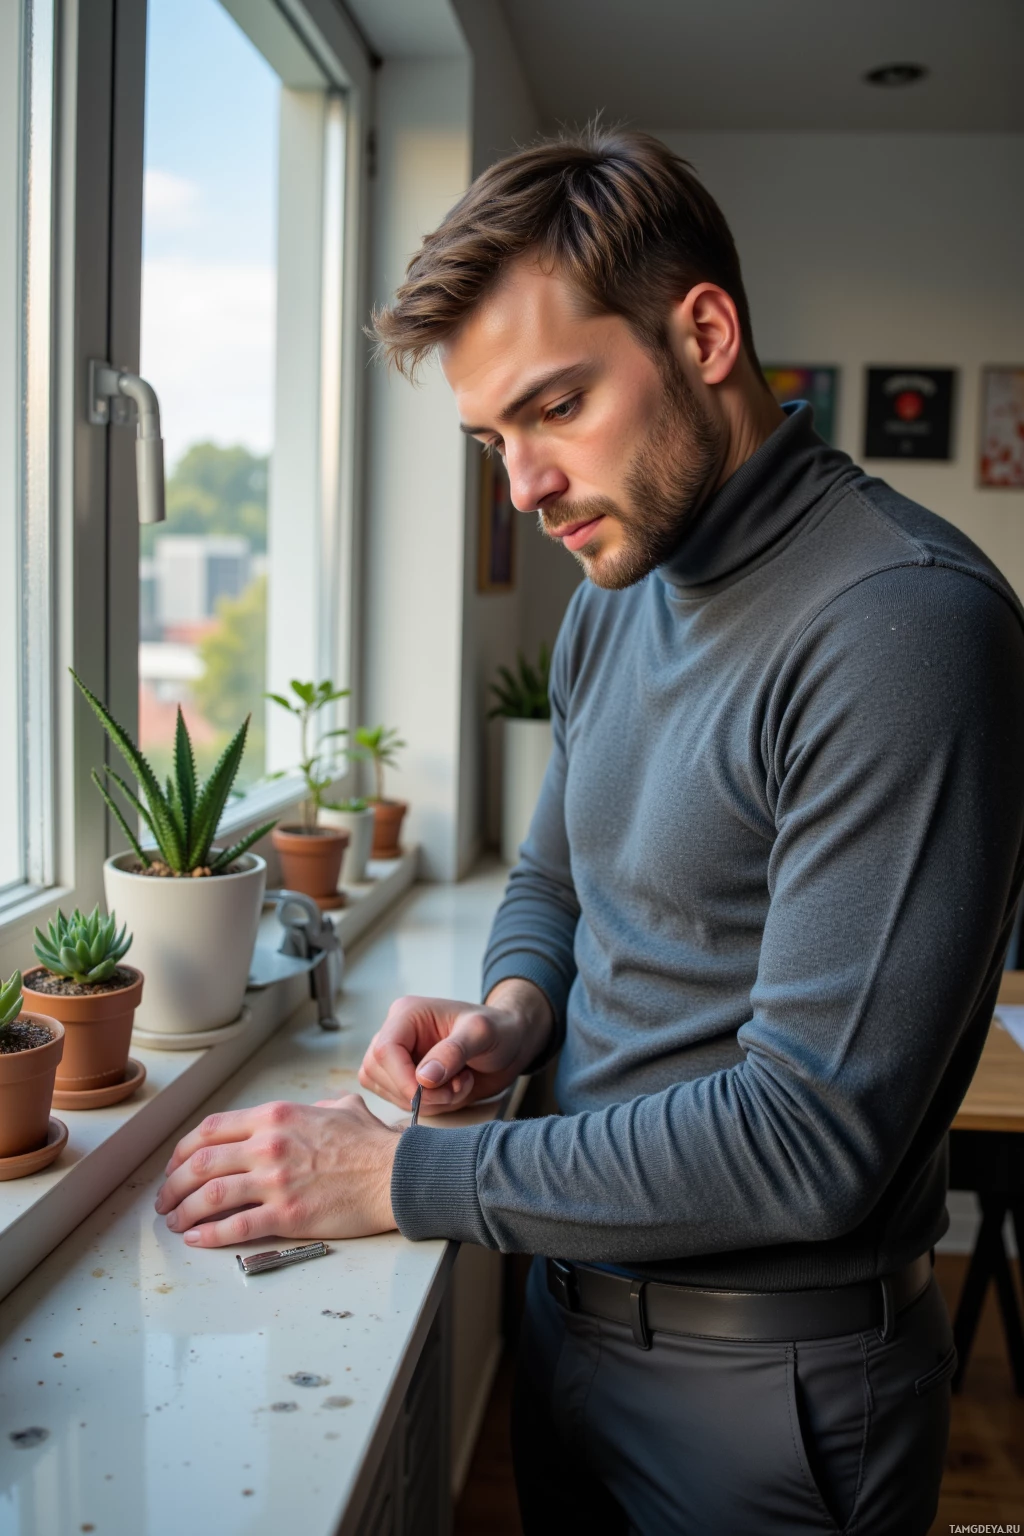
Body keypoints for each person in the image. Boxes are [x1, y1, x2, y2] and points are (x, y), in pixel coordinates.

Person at [155, 127, 1024, 1535]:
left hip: (770, 1390)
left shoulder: (903, 625)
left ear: (704, 332)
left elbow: (810, 1142)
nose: (522, 485)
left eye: (555, 408)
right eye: (493, 437)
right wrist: (514, 1008)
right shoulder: (619, 594)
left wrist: (398, 1173)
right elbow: (560, 878)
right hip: (571, 1321)